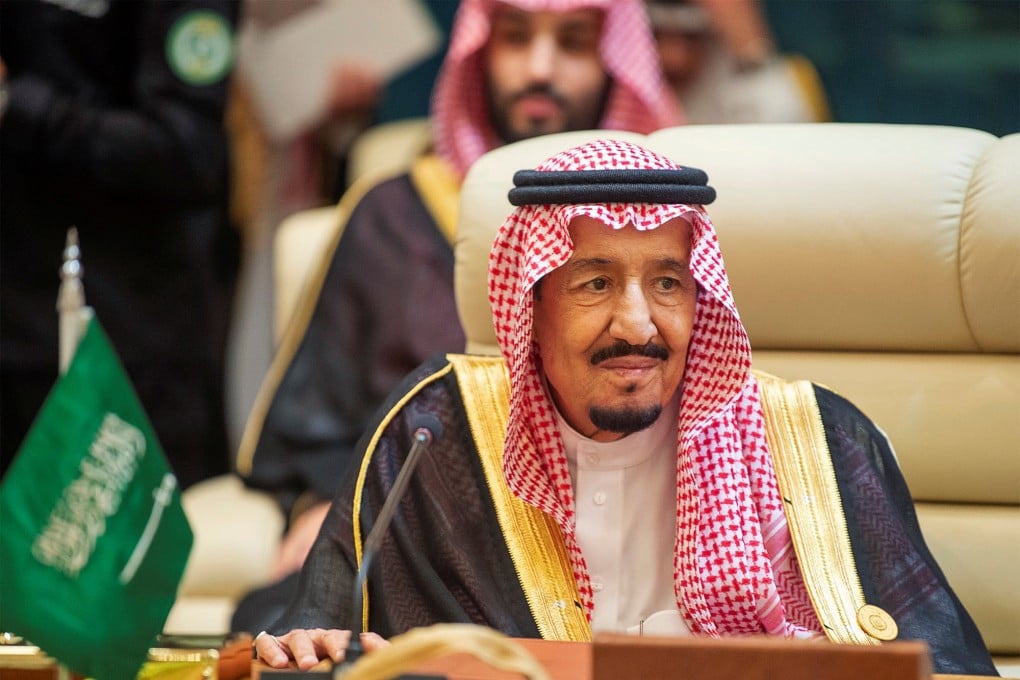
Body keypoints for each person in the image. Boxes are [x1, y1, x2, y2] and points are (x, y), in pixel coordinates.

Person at [252, 139, 997, 676]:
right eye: (594, 284)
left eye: (668, 283)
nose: (639, 325)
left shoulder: (818, 440)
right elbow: (319, 636)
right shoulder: (437, 436)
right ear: (528, 306)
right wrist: (304, 653)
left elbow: (943, 665)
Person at [234, 0, 679, 613]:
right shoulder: (394, 215)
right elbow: (319, 417)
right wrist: (323, 504)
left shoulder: (674, 232)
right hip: (419, 536)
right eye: (515, 40)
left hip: (628, 529)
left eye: (573, 43)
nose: (539, 69)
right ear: (478, 54)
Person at [0, 0, 239, 489]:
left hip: (123, 343)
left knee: (134, 555)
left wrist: (17, 104)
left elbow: (188, 151)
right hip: (13, 324)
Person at [645, 0, 827, 124]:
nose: (675, 58)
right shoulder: (625, 88)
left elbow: (784, 134)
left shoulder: (731, 73)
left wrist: (750, 54)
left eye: (691, 38)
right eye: (657, 35)